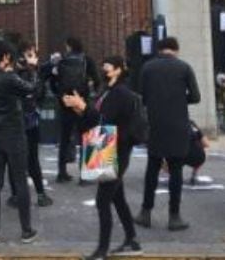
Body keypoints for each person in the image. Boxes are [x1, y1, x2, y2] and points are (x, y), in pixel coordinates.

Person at [63, 56, 143, 260]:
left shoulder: (121, 94)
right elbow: (96, 119)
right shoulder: (107, 91)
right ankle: (132, 241)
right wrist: (80, 108)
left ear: (118, 70)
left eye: (107, 66)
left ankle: (102, 250)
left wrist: (82, 107)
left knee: (102, 201)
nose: (103, 68)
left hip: (116, 151)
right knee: (118, 198)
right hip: (106, 147)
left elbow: (104, 121)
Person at [134, 37, 200, 231]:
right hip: (178, 124)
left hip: (155, 124)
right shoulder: (184, 67)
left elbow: (141, 95)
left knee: (152, 167)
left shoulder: (148, 68)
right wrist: (179, 99)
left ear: (160, 50)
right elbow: (196, 97)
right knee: (176, 170)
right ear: (176, 50)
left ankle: (145, 212)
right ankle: (174, 216)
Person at [0, 39, 40, 244]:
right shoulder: (9, 78)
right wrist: (32, 67)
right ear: (5, 56)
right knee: (20, 180)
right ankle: (26, 230)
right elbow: (31, 88)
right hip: (14, 134)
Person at [7, 41, 54, 208]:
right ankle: (38, 195)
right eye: (30, 54)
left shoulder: (16, 73)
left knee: (19, 159)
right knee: (29, 159)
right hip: (26, 121)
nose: (34, 58)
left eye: (34, 54)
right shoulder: (25, 74)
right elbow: (36, 93)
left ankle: (17, 196)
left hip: (22, 121)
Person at [50, 36, 101, 182]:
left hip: (65, 104)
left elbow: (53, 82)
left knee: (64, 139)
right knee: (85, 138)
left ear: (68, 46)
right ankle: (84, 176)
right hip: (81, 103)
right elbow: (97, 80)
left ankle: (61, 173)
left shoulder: (61, 61)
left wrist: (60, 96)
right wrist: (92, 96)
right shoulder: (87, 60)